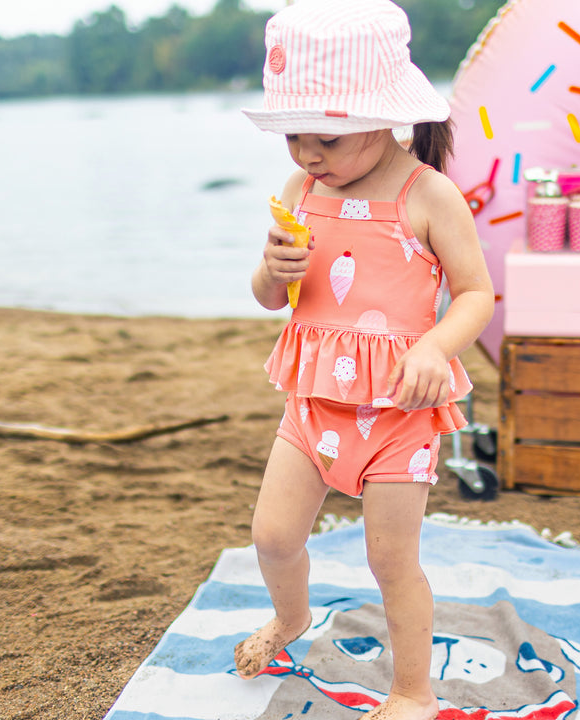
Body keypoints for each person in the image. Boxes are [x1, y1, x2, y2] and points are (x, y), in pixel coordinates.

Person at [235, 1, 494, 718]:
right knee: (274, 536)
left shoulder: (428, 195)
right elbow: (269, 299)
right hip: (312, 402)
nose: (308, 155)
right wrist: (272, 269)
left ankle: (412, 690)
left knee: (390, 561)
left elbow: (476, 294)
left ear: (386, 120)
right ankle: (290, 619)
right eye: (293, 138)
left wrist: (435, 347)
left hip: (397, 412)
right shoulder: (300, 191)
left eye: (326, 139)